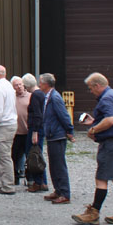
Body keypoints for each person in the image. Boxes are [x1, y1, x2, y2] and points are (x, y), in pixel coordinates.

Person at [72, 73, 113, 225]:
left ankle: (94, 213)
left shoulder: (106, 99)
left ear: (97, 85)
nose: (90, 91)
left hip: (110, 144)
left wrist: (93, 130)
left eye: (90, 88)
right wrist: (95, 122)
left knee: (101, 178)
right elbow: (110, 118)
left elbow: (111, 119)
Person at [40, 72, 74, 205]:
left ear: (47, 84)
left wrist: (69, 130)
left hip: (57, 135)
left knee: (59, 165)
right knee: (53, 165)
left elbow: (64, 115)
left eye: (41, 82)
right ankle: (58, 190)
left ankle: (65, 193)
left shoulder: (55, 97)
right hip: (52, 135)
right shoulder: (48, 96)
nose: (39, 84)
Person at [0, 65, 18, 195]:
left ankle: (7, 186)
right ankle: (8, 184)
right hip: (11, 123)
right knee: (6, 155)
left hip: (4, 126)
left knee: (3, 156)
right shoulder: (8, 86)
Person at [23, 73, 48, 193]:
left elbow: (38, 115)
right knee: (38, 154)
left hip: (35, 129)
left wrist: (35, 132)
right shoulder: (40, 94)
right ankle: (42, 181)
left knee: (34, 155)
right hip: (38, 128)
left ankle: (39, 182)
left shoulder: (35, 96)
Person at [12, 75, 30, 184]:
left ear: (23, 85)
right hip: (15, 133)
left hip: (27, 132)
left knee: (29, 157)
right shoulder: (11, 97)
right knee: (14, 156)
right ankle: (15, 177)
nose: (18, 87)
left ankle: (29, 179)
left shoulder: (30, 96)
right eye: (16, 85)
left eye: (20, 84)